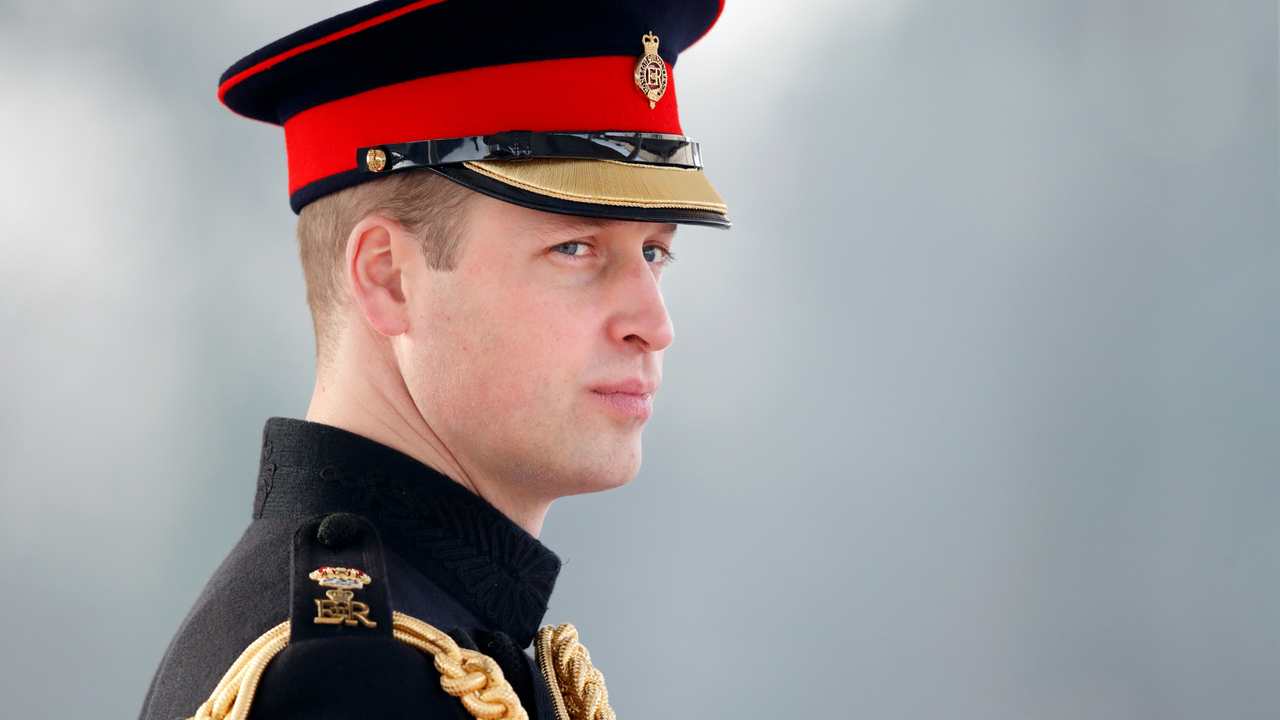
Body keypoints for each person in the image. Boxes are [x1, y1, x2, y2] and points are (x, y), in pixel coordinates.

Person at [139, 1, 729, 719]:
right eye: (575, 248)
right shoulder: (351, 678)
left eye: (654, 253)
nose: (654, 325)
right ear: (389, 277)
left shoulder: (428, 639)